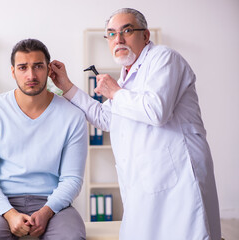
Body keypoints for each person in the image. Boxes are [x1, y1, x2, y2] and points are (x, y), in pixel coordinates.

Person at [50, 8, 221, 240]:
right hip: (144, 177)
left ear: (146, 35)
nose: (118, 39)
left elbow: (156, 110)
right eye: (111, 34)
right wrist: (67, 86)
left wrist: (116, 92)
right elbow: (104, 118)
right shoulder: (127, 76)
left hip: (178, 173)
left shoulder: (165, 58)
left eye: (127, 31)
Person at [0, 39, 87, 240]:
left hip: (54, 205)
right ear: (13, 71)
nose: (31, 75)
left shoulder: (72, 116)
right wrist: (9, 214)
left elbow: (72, 179)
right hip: (2, 202)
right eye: (23, 67)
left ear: (49, 69)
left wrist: (47, 211)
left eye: (38, 66)